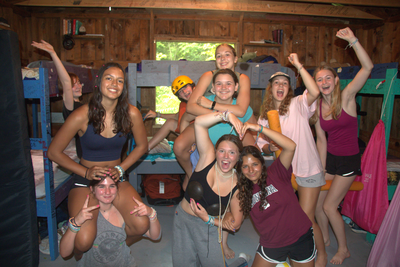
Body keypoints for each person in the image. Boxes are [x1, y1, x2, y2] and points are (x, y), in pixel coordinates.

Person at [48, 62, 149, 258]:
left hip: (116, 179)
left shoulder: (131, 113)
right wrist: (86, 172)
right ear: (99, 83)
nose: (114, 84)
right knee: (83, 240)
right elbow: (53, 152)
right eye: (109, 78)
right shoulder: (82, 115)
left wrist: (121, 169)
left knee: (141, 224)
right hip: (86, 181)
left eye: (120, 80)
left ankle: (109, 249)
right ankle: (84, 258)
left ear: (123, 87)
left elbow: (142, 146)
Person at [257, 54, 327, 266]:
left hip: (307, 170)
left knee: (306, 219)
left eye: (285, 83)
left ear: (290, 88)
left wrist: (297, 65)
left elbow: (315, 91)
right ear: (271, 88)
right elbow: (262, 145)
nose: (281, 86)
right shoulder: (265, 117)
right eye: (277, 83)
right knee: (287, 217)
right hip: (283, 175)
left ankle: (320, 255)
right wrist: (270, 146)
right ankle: (290, 252)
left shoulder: (299, 104)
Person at [312, 27, 373, 265]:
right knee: (317, 203)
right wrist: (320, 166)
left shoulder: (346, 96)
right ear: (316, 84)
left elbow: (367, 68)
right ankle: (326, 238)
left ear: (335, 80)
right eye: (319, 79)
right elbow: (320, 139)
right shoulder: (317, 108)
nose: (324, 82)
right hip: (331, 160)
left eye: (328, 77)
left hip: (348, 159)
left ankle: (344, 248)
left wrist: (354, 41)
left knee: (329, 206)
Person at [237, 123, 316, 267]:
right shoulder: (243, 190)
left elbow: (291, 146)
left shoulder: (276, 172)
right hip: (272, 243)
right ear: (241, 170)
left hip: (300, 237)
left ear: (262, 164)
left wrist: (259, 129)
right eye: (245, 166)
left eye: (255, 164)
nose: (251, 170)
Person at [172, 111, 245, 267]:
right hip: (183, 220)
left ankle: (242, 261)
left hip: (208, 227)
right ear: (215, 152)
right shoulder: (207, 159)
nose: (226, 156)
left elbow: (235, 224)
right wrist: (227, 115)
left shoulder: (237, 185)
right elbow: (199, 122)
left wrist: (209, 219)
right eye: (221, 151)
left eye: (232, 153)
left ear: (238, 157)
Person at [60, 176, 161, 266]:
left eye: (112, 186)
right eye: (101, 186)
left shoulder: (124, 213)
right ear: (92, 189)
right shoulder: (85, 216)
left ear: (117, 189)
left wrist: (151, 214)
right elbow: (64, 253)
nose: (107, 192)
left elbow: (155, 236)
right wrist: (75, 223)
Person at [31, 40, 85, 158]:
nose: (78, 86)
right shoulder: (70, 107)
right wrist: (53, 53)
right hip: (85, 152)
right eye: (73, 84)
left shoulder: (82, 105)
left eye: (79, 83)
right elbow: (65, 81)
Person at [143, 75, 194, 152]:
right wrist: (157, 115)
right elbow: (178, 116)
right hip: (188, 134)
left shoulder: (201, 99)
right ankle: (146, 148)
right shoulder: (184, 104)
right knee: (170, 122)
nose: (184, 92)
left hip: (199, 136)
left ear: (192, 86)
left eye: (185, 87)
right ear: (179, 96)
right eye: (180, 91)